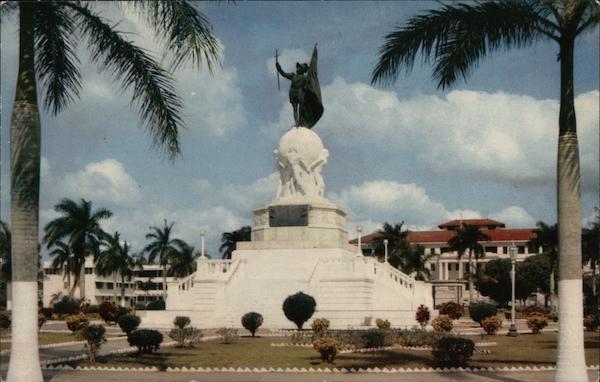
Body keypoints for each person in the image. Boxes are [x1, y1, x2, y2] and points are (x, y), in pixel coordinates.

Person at [275, 44, 323, 128]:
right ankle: (296, 122)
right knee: (295, 108)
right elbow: (284, 74)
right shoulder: (293, 76)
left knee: (301, 108)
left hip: (300, 93)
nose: (297, 69)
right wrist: (278, 68)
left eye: (299, 68)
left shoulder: (305, 78)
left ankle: (299, 123)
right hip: (293, 93)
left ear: (302, 70)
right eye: (297, 68)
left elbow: (308, 84)